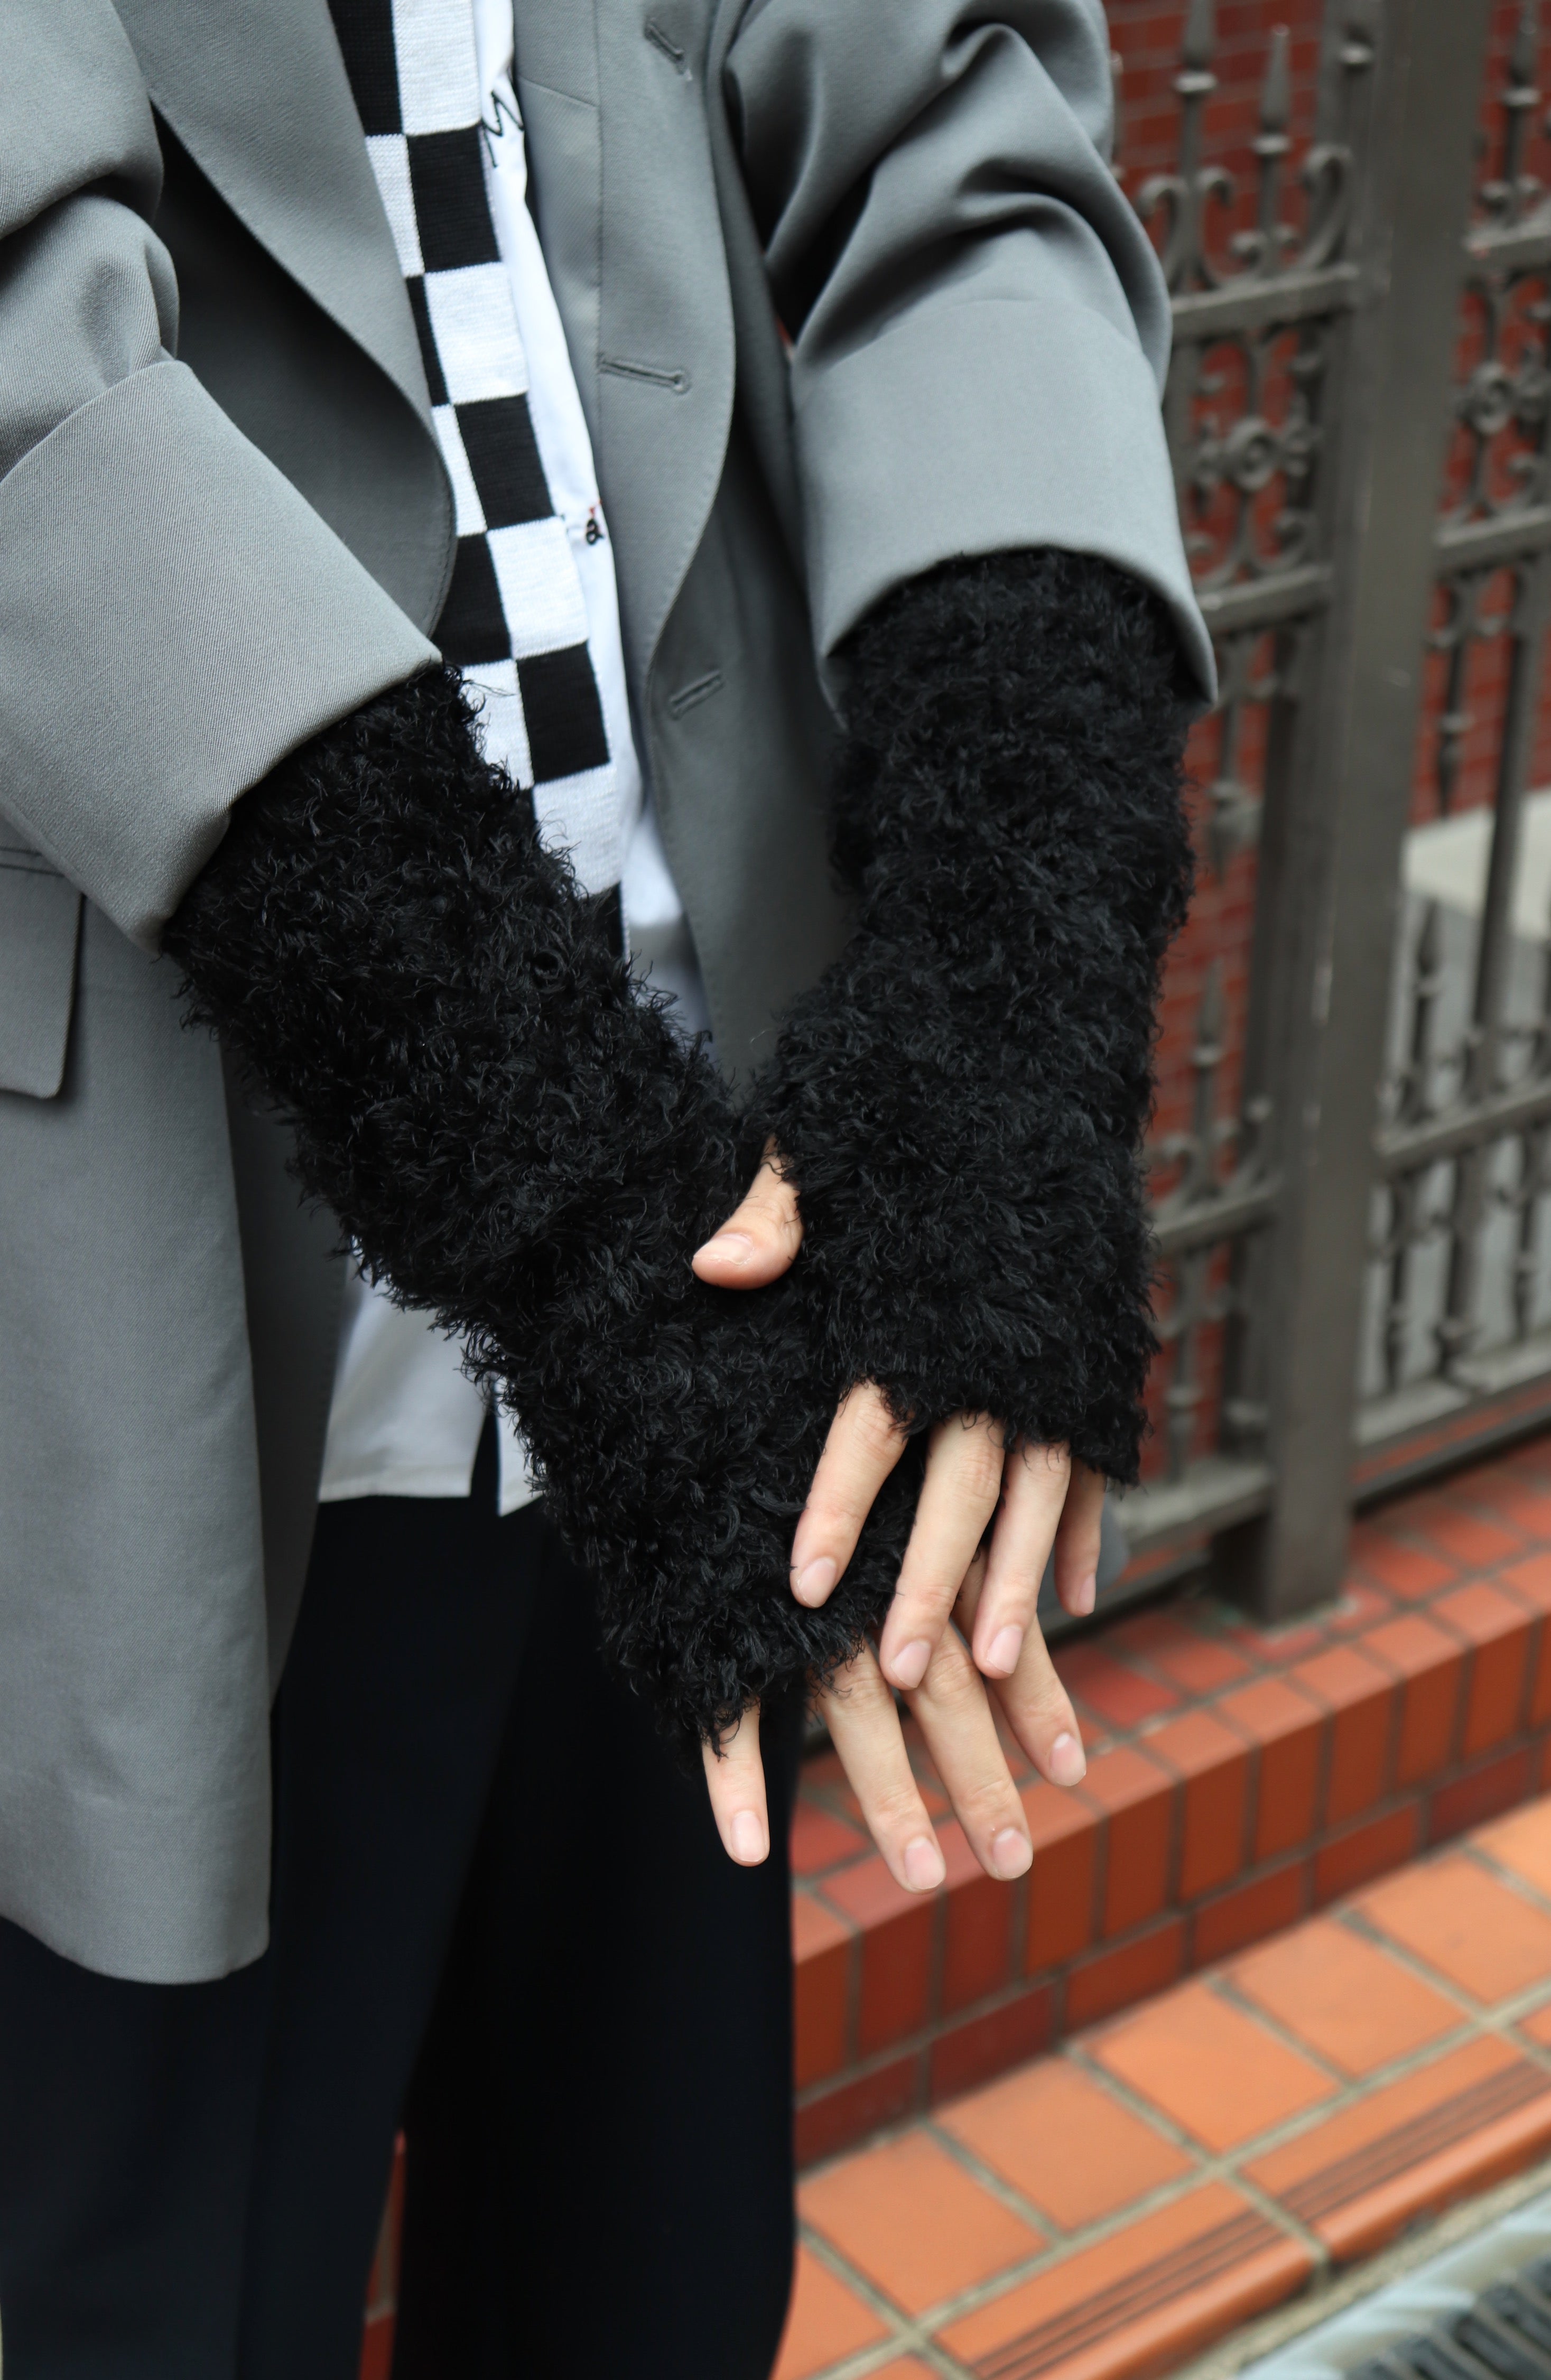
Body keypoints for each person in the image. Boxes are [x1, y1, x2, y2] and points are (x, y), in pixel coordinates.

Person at [0, 0, 1212, 2373]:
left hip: (724, 1314)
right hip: (180, 1328)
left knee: (645, 2282)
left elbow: (946, 141)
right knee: (145, 2303)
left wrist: (1003, 998)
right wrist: (565, 1196)